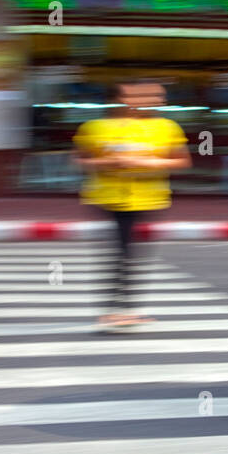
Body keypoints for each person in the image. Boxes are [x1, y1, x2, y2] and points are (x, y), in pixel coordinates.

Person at [74, 81, 191, 330]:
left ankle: (122, 308)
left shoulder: (166, 127)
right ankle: (116, 311)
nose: (153, 101)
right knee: (121, 253)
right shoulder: (96, 127)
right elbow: (79, 159)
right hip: (111, 199)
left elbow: (182, 161)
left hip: (150, 200)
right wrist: (107, 162)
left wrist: (150, 163)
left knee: (133, 255)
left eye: (156, 97)